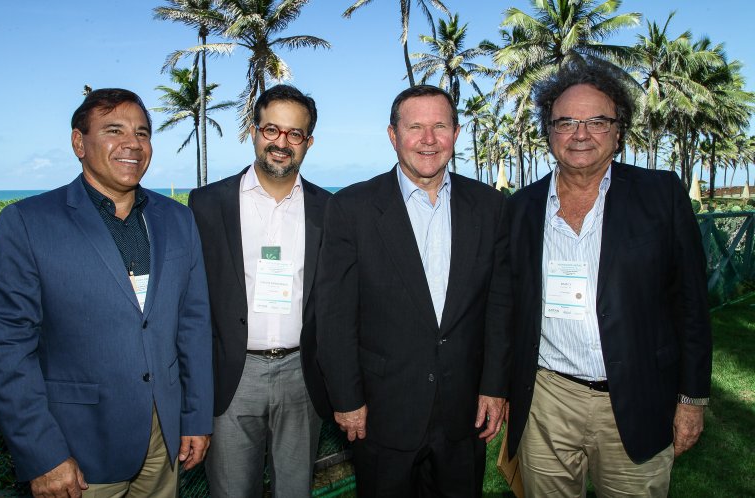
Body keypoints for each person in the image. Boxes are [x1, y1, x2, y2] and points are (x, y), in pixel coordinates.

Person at [0, 88, 213, 498]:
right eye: (113, 130)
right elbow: (5, 348)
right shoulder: (29, 223)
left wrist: (195, 418)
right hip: (78, 449)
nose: (132, 144)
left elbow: (193, 326)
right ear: (78, 142)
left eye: (142, 132)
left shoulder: (177, 219)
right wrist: (43, 454)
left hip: (163, 440)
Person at [506, 59, 712, 497]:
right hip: (547, 398)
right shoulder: (520, 207)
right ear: (549, 132)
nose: (581, 134)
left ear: (619, 132)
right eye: (566, 122)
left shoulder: (661, 195)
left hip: (639, 397)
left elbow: (691, 305)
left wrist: (691, 400)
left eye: (597, 121)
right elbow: (506, 304)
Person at [316, 85, 512, 497]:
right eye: (415, 127)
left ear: (456, 134)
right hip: (382, 413)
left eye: (440, 126)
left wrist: (495, 386)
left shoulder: (491, 207)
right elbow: (334, 316)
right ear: (393, 135)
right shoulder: (351, 208)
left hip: (464, 414)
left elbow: (498, 304)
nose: (428, 139)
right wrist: (348, 400)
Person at [189, 84, 331, 498]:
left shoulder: (329, 210)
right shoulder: (205, 205)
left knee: (296, 491)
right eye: (272, 130)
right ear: (254, 132)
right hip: (233, 375)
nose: (281, 143)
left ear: (308, 142)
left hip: (303, 375)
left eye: (294, 134)